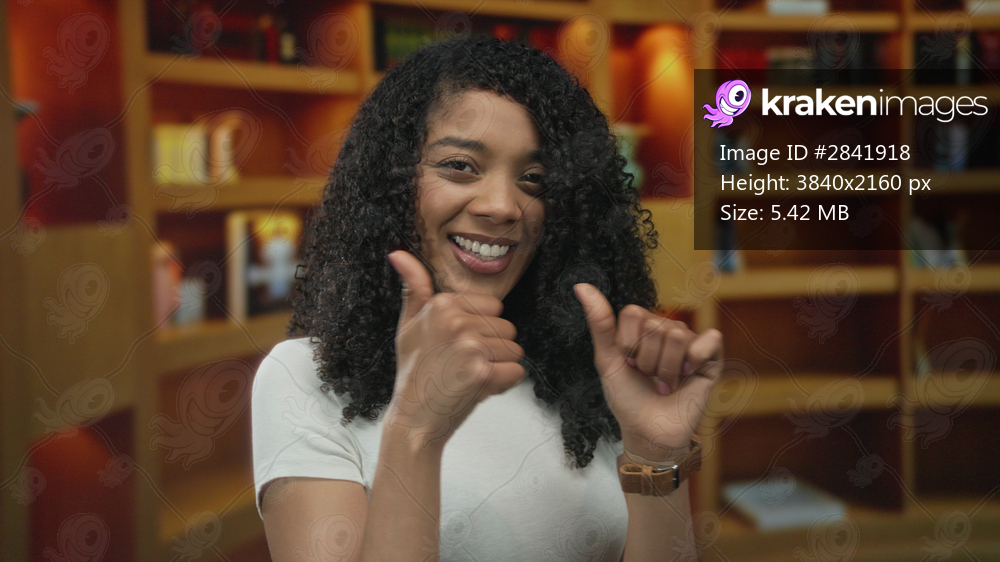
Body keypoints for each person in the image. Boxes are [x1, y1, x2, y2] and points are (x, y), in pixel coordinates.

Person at [251, 35, 724, 562]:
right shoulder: (303, 377)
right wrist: (415, 430)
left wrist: (656, 454)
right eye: (460, 165)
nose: (503, 206)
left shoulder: (587, 367)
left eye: (534, 179)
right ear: (390, 181)